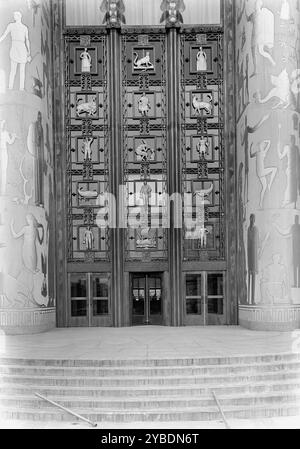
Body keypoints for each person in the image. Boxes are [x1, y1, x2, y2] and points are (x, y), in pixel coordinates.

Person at [0, 11, 31, 91]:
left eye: (15, 15)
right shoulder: (11, 25)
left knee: (22, 70)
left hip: (22, 48)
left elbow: (27, 40)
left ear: (19, 16)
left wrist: (29, 52)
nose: (14, 17)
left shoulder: (24, 28)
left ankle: (22, 88)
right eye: (14, 15)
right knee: (13, 69)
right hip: (14, 47)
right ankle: (10, 87)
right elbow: (4, 34)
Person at [250, 140, 277, 209]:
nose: (260, 146)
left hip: (259, 172)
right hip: (261, 171)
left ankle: (260, 204)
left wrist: (250, 147)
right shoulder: (263, 152)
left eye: (261, 145)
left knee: (264, 187)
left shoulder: (258, 153)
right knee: (275, 169)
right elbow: (269, 143)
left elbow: (250, 155)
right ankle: (270, 183)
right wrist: (266, 141)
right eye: (260, 145)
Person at [0, 120, 16, 195]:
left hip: (3, 152)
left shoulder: (5, 133)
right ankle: (2, 192)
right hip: (2, 152)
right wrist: (13, 136)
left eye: (2, 124)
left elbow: (10, 142)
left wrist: (13, 136)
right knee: (3, 172)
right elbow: (10, 142)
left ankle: (3, 192)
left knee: (3, 171)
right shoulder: (5, 133)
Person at [247, 214, 259, 305]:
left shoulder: (255, 229)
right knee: (249, 275)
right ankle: (249, 299)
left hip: (254, 254)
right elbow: (249, 241)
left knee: (253, 275)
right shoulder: (248, 229)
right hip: (249, 253)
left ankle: (253, 299)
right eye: (251, 218)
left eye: (253, 218)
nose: (252, 220)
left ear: (254, 220)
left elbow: (256, 241)